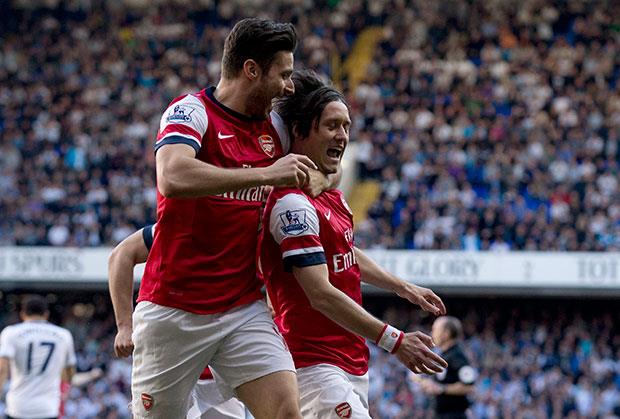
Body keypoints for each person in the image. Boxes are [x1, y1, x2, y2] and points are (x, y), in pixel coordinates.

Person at [132, 17, 336, 419]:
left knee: (285, 411)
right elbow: (172, 177)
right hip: (173, 311)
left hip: (242, 308)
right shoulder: (191, 112)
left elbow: (329, 158)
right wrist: (264, 174)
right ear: (252, 70)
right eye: (283, 74)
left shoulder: (275, 127)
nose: (289, 87)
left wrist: (320, 176)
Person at [260, 71, 448, 419]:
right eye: (332, 126)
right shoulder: (292, 205)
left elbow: (343, 251)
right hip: (314, 365)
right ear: (299, 131)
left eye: (346, 126)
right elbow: (319, 293)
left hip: (349, 361)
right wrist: (395, 340)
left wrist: (402, 287)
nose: (343, 135)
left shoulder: (328, 192)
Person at [108, 224, 246, 419]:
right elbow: (121, 254)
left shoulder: (244, 227)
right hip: (171, 368)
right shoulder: (179, 227)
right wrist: (124, 327)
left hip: (219, 376)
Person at [0, 295, 77, 419]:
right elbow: (69, 373)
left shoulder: (11, 333)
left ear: (22, 314)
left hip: (18, 407)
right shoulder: (63, 335)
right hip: (48, 408)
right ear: (46, 314)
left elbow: (2, 369)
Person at [415, 316, 477, 419]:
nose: (432, 333)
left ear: (446, 334)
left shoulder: (458, 356)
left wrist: (441, 389)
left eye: (435, 330)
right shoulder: (444, 355)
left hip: (454, 415)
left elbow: (469, 387)